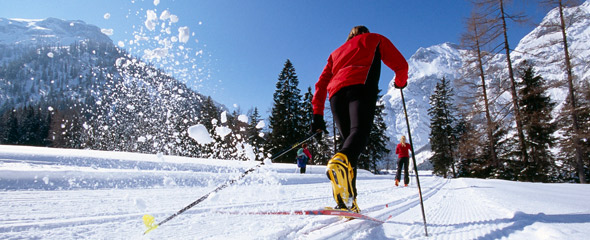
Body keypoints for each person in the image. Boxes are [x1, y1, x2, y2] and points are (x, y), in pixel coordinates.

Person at [311, 26, 408, 212]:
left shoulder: (335, 53)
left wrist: (317, 115)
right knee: (358, 134)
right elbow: (401, 65)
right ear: (365, 33)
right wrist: (400, 83)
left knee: (349, 146)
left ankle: (347, 201)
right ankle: (343, 176)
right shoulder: (375, 38)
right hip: (360, 87)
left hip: (336, 96)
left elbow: (321, 84)